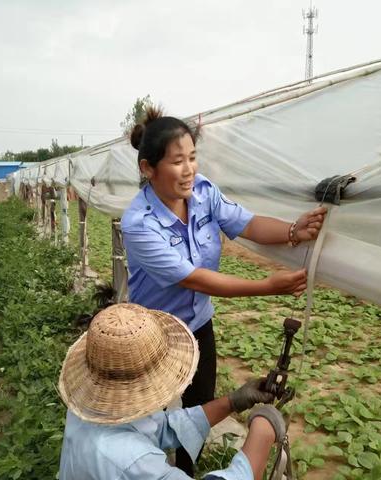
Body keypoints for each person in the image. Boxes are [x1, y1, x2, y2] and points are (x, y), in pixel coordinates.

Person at [121, 107, 326, 474]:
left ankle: (184, 470)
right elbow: (195, 278)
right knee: (146, 416)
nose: (189, 170)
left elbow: (246, 224)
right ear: (148, 169)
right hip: (154, 333)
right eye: (177, 161)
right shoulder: (140, 224)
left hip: (198, 324)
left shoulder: (202, 193)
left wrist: (294, 231)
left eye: (193, 158)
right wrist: (267, 287)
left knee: (198, 407)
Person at [58, 303, 286, 480]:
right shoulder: (129, 461)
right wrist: (263, 431)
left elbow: (162, 427)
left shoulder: (92, 407)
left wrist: (233, 402)